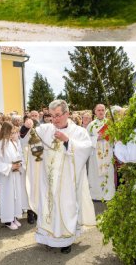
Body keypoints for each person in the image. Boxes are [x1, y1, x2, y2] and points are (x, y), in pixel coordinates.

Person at [25, 100, 95, 254]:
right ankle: (49, 238)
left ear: (67, 113)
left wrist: (67, 141)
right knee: (49, 208)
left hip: (67, 183)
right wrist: (26, 127)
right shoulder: (45, 129)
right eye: (52, 116)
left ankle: (66, 240)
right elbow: (27, 140)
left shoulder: (78, 132)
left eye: (58, 115)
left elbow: (86, 149)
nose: (55, 119)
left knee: (66, 208)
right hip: (48, 180)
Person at [0, 122, 28, 231]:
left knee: (16, 196)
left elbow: (19, 155)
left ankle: (14, 216)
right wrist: (10, 167)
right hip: (7, 176)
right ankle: (8, 219)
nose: (12, 134)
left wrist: (19, 164)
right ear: (6, 131)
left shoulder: (12, 143)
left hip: (15, 174)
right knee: (8, 197)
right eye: (10, 132)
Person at [86, 104, 115, 202]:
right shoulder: (91, 125)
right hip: (95, 154)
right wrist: (96, 138)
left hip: (107, 153)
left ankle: (108, 194)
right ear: (95, 112)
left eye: (103, 110)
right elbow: (86, 140)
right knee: (96, 174)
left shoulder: (110, 123)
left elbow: (115, 138)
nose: (101, 112)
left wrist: (110, 137)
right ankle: (96, 195)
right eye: (99, 110)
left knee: (108, 172)